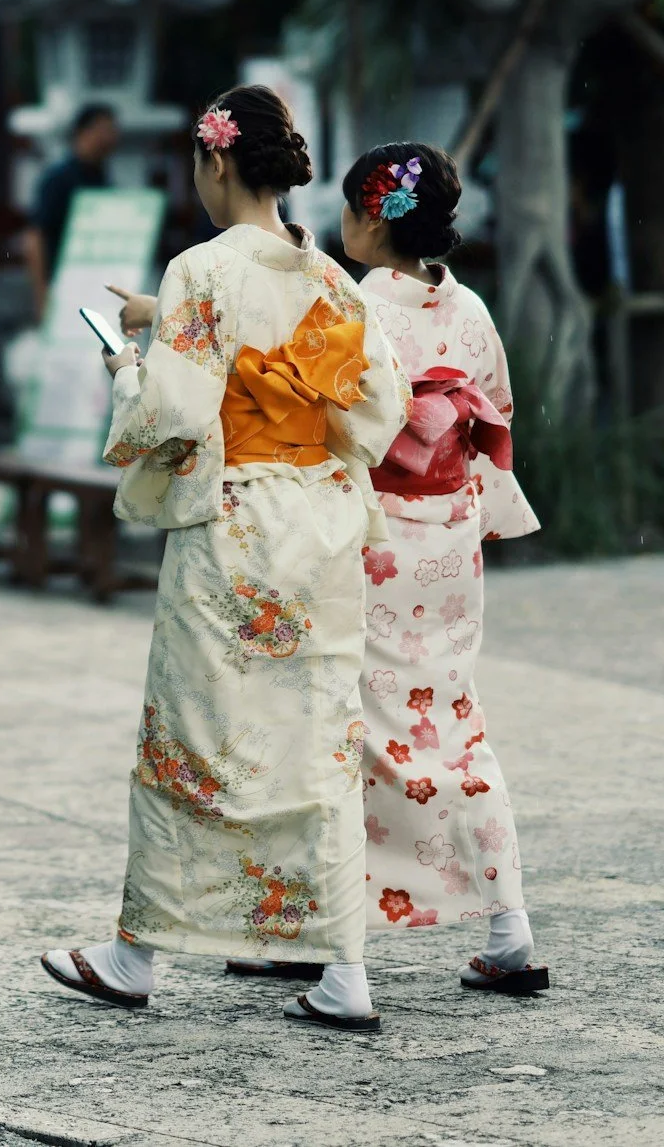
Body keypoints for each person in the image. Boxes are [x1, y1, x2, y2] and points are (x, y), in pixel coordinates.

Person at [39, 84, 407, 1034]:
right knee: (320, 744)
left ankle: (135, 955)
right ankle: (344, 974)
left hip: (235, 524)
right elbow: (374, 407)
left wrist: (130, 366)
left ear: (215, 161)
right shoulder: (329, 276)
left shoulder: (201, 267)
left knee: (192, 736)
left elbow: (173, 413)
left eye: (198, 165)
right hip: (319, 521)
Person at [331, 142, 548, 997]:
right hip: (451, 532)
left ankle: (331, 936)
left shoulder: (354, 309)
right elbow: (496, 402)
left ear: (369, 217)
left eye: (349, 206)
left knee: (361, 725)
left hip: (377, 530)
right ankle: (509, 925)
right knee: (453, 712)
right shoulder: (468, 308)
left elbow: (336, 427)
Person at [23, 103, 121, 316]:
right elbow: (34, 238)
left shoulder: (103, 179)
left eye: (112, 131)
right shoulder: (58, 179)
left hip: (96, 284)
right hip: (62, 284)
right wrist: (41, 294)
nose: (110, 138)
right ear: (83, 132)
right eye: (103, 130)